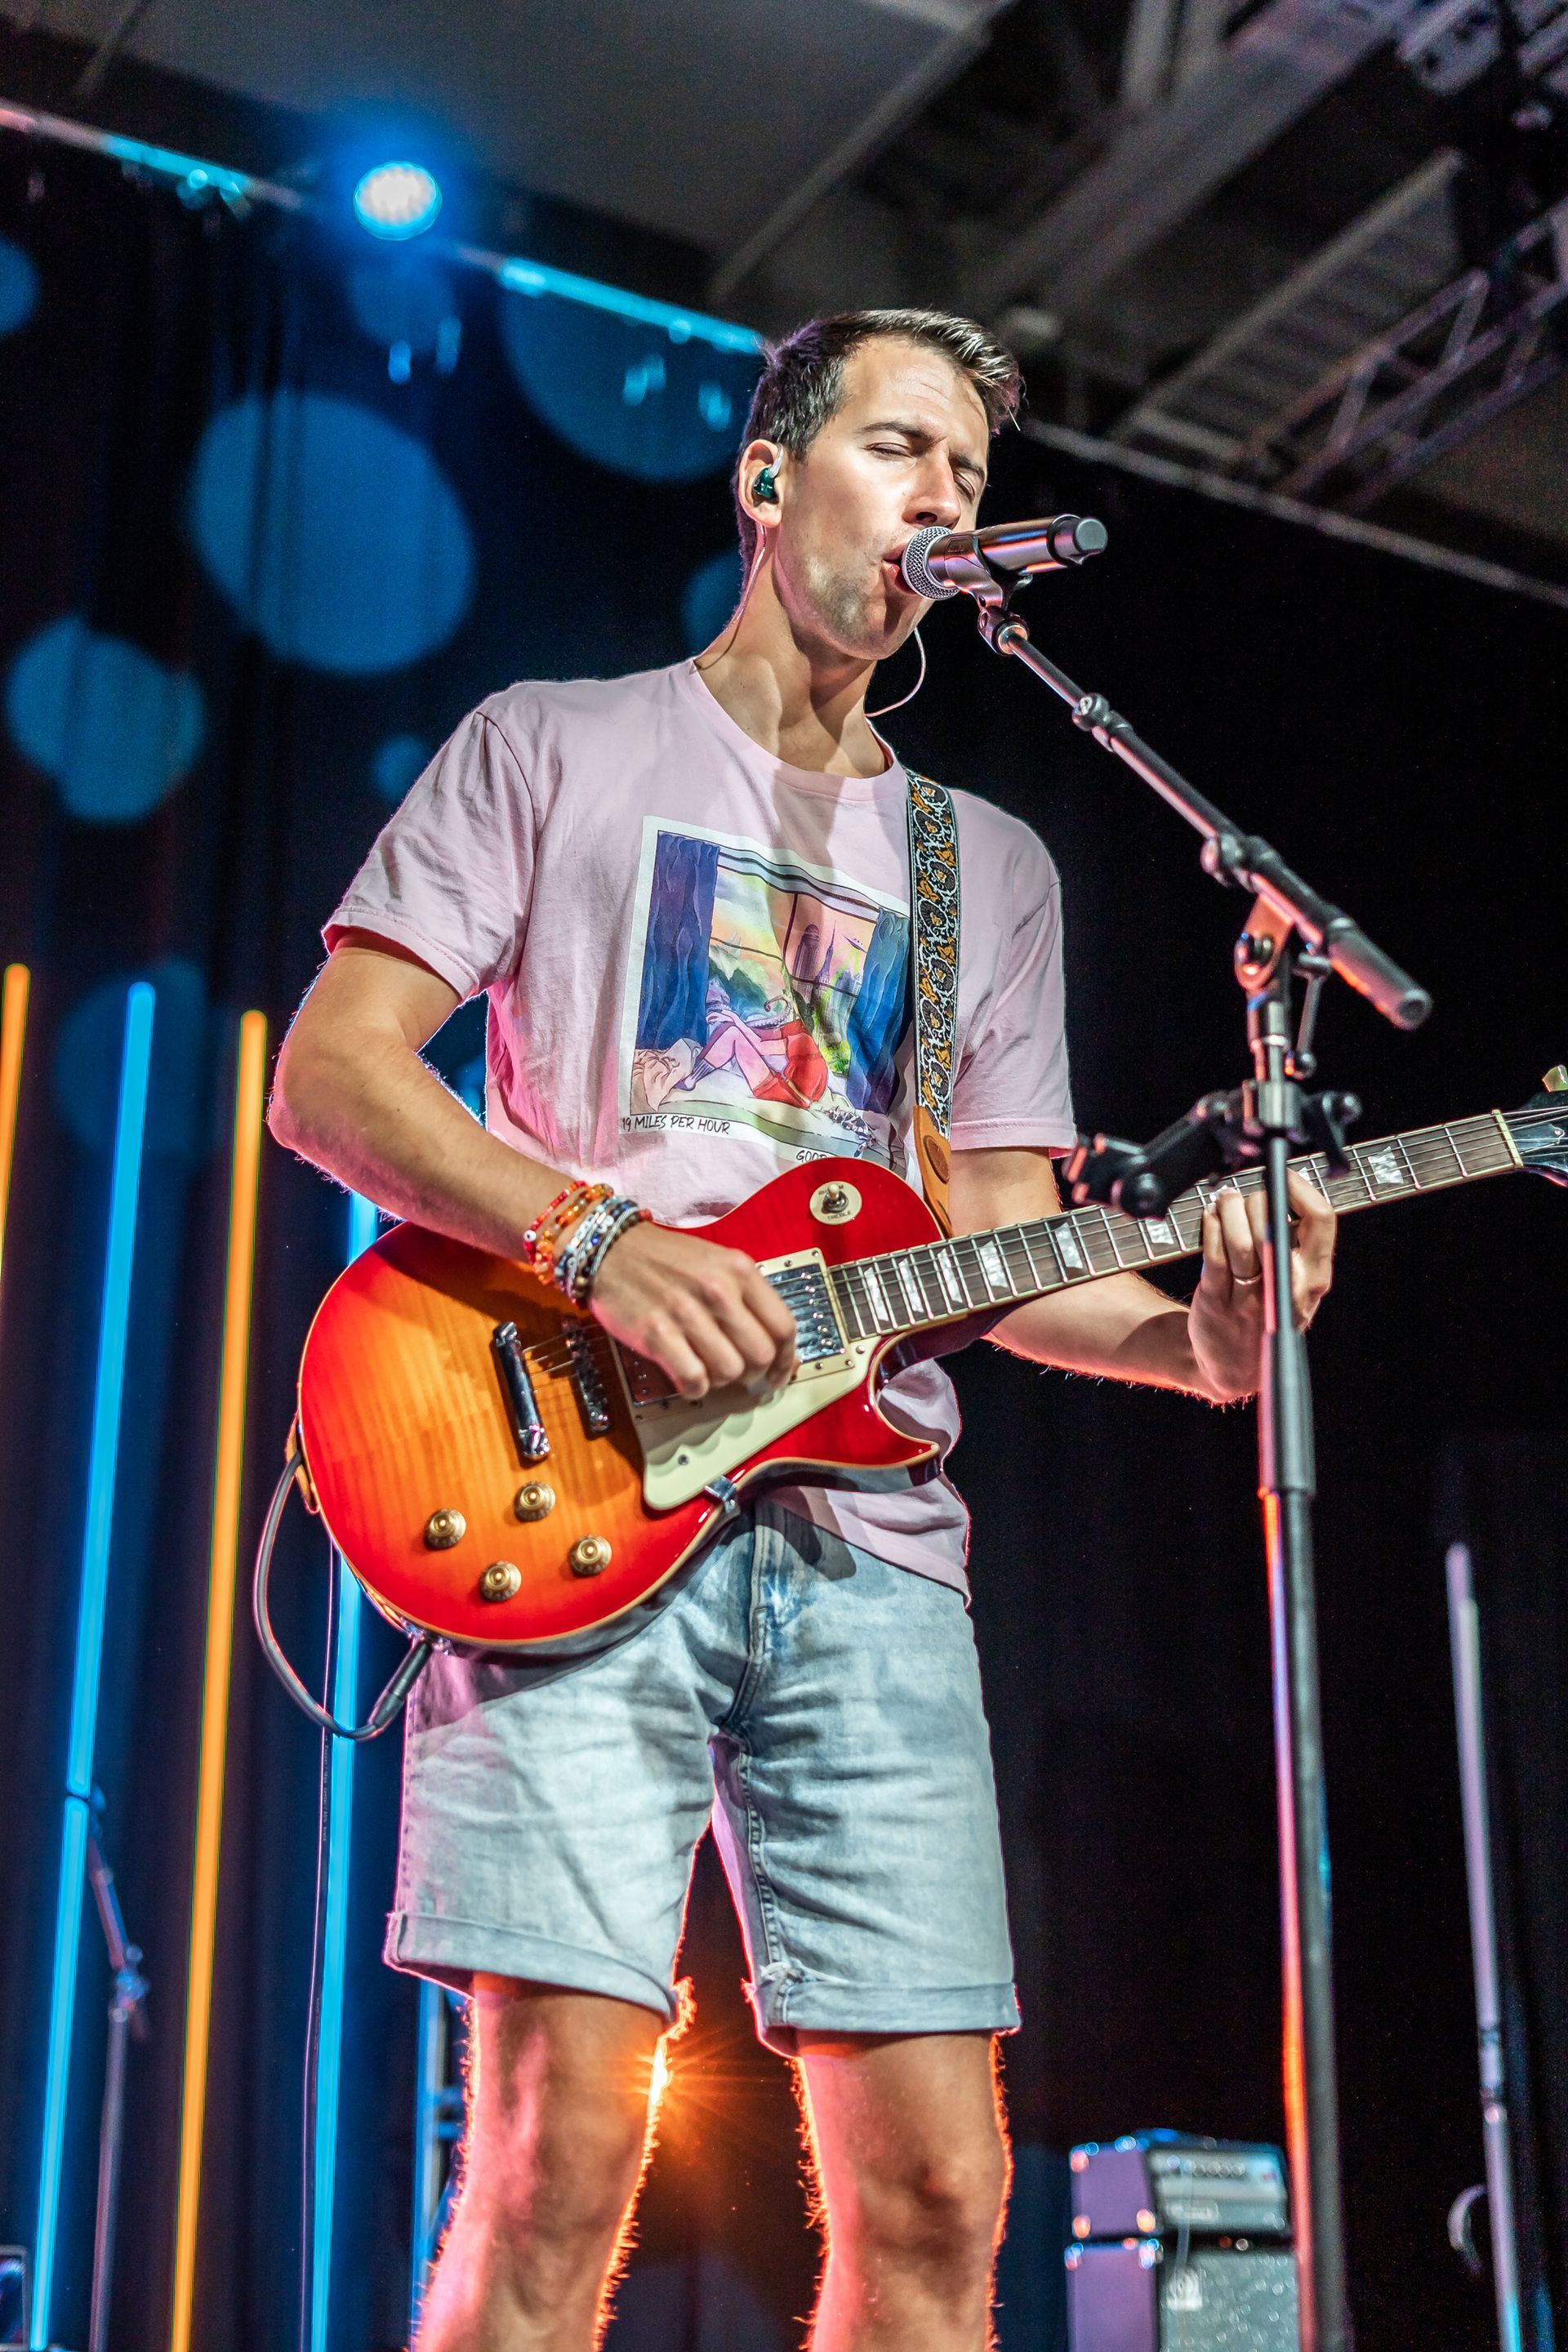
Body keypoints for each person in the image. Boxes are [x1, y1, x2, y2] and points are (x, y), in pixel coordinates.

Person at [269, 308, 1337, 2352]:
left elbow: (1005, 1247)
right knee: (559, 2159)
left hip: (870, 1556)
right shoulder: (555, 743)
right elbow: (334, 1074)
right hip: (577, 1487)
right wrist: (592, 1236)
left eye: (971, 473)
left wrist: (1199, 1336)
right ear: (768, 478)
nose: (944, 495)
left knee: (940, 2197)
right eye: (899, 447)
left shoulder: (984, 866)